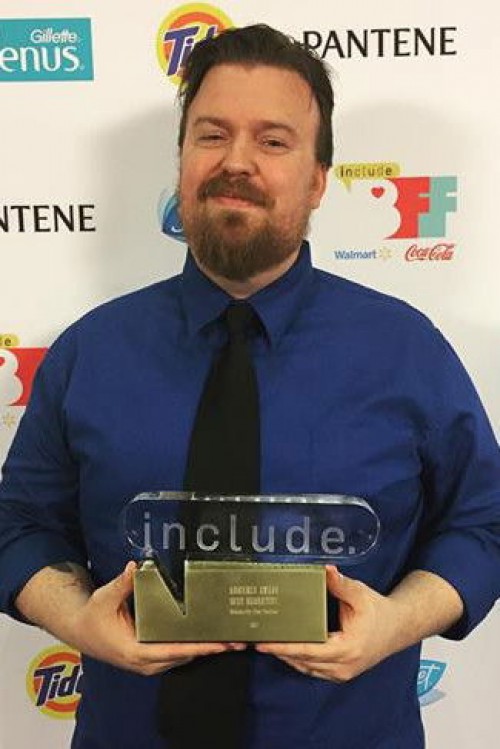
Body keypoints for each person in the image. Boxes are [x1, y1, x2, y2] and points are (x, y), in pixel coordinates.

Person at [1, 23, 500, 749]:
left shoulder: (406, 351)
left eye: (273, 141)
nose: (237, 161)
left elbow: (484, 522)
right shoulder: (90, 351)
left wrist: (398, 622)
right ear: (182, 160)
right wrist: (76, 617)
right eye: (212, 135)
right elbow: (19, 524)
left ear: (319, 179)